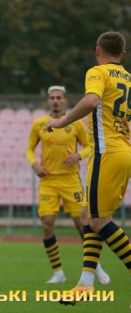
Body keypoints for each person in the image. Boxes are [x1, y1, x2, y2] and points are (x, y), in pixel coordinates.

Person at [46, 31, 131, 305]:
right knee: (88, 215)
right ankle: (85, 284)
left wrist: (62, 121)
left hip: (106, 152)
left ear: (97, 51)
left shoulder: (98, 72)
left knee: (98, 221)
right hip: (122, 151)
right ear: (123, 55)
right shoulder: (128, 78)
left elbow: (92, 100)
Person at [26, 85, 109, 284]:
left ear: (65, 100)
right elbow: (29, 149)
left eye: (59, 98)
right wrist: (35, 164)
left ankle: (95, 266)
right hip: (48, 181)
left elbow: (90, 146)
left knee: (82, 225)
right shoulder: (39, 124)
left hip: (71, 180)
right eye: (52, 98)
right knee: (47, 225)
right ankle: (58, 273)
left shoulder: (76, 124)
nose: (55, 101)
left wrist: (78, 156)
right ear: (48, 101)